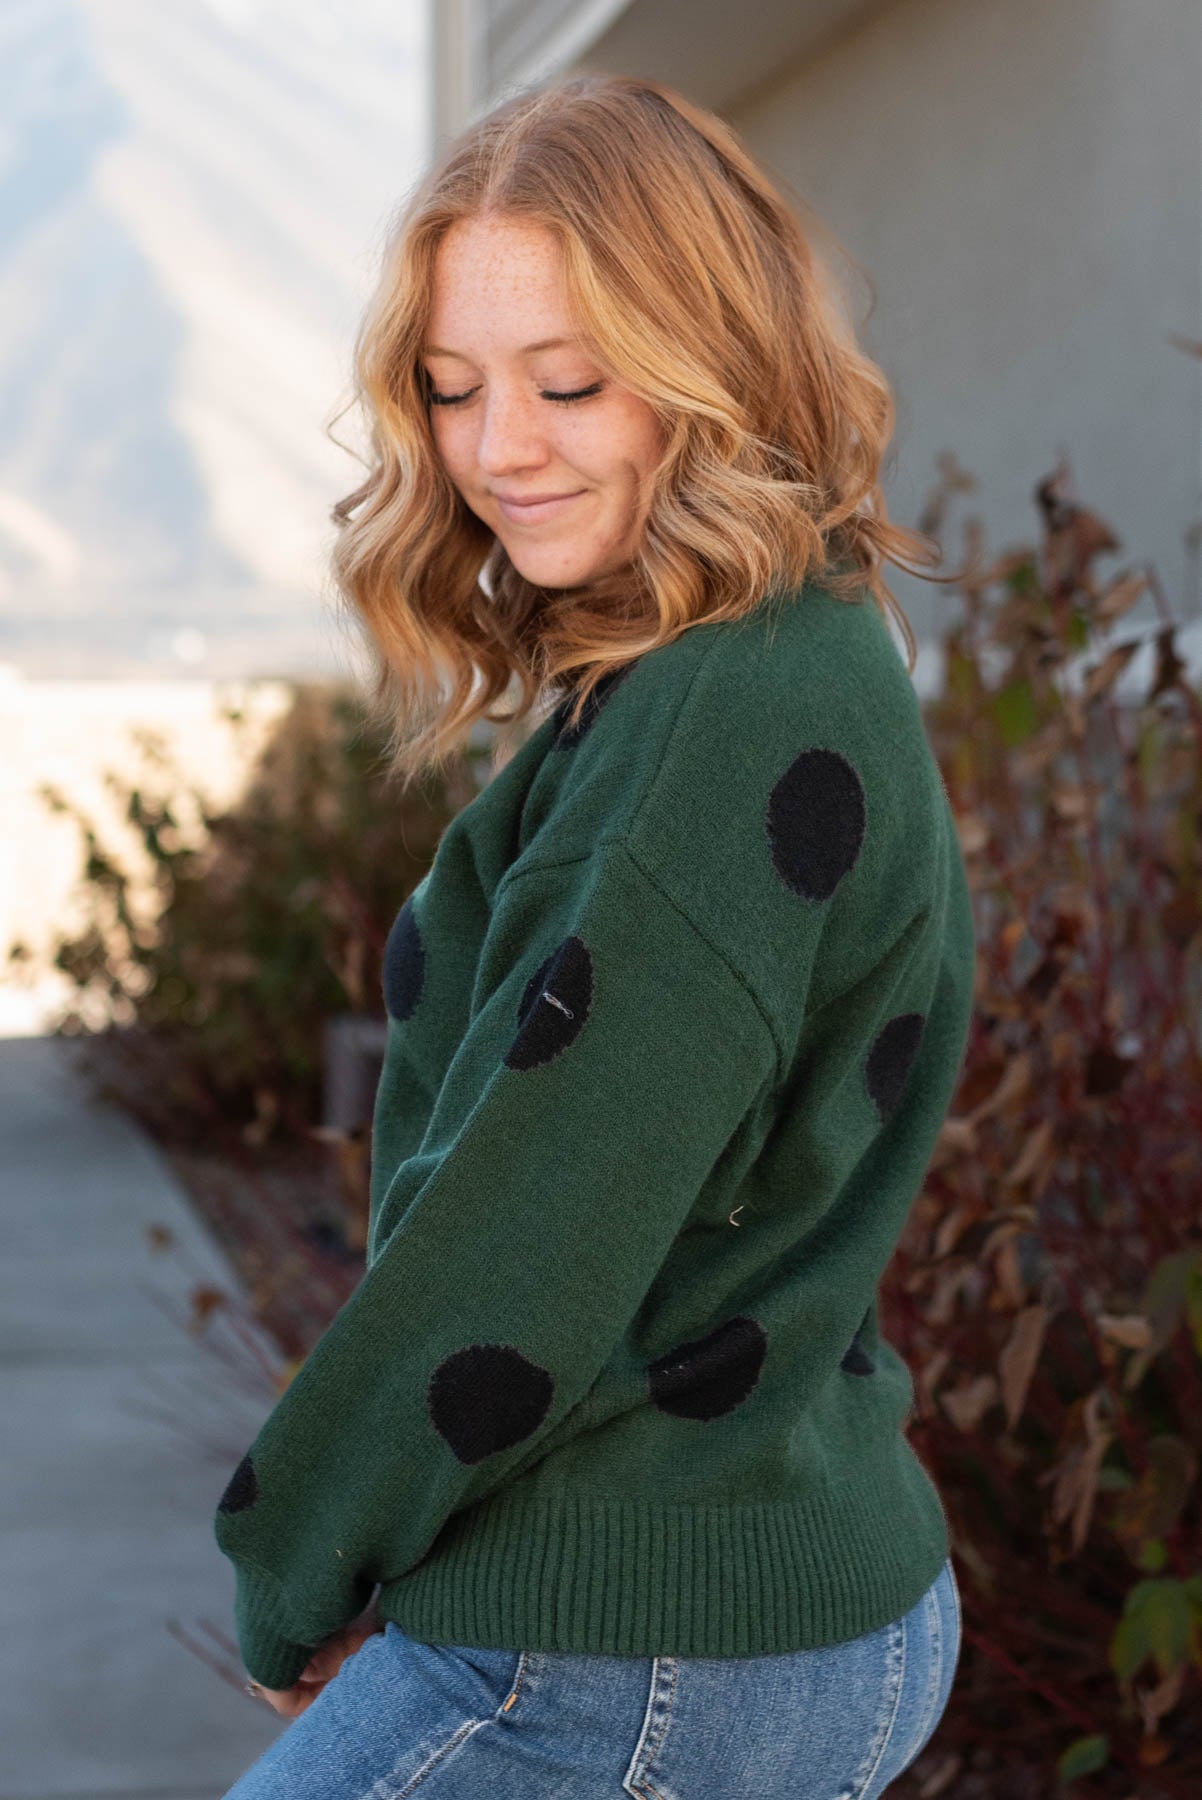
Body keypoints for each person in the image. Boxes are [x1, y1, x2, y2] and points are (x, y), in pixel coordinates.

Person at [216, 72, 974, 1799]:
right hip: (755, 1591)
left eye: (569, 382)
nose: (497, 450)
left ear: (717, 362)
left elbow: (526, 1225)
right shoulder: (756, 653)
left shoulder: (721, 713)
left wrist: (301, 1558)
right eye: (452, 388)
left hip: (623, 1648)